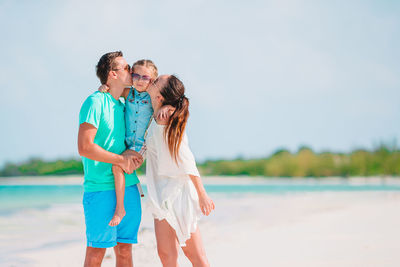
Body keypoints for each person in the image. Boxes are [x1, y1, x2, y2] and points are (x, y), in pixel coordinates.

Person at [78, 51, 143, 267]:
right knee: (96, 252)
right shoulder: (94, 102)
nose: (131, 71)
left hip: (128, 185)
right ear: (112, 75)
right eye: (126, 68)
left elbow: (151, 89)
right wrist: (120, 159)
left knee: (124, 251)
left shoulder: (125, 104)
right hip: (100, 189)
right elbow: (85, 147)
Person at [145, 74, 215, 267]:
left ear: (160, 96)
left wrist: (202, 195)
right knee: (166, 257)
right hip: (159, 195)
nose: (152, 80)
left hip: (178, 194)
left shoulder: (165, 120)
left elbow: (186, 158)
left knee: (196, 257)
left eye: (157, 81)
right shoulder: (157, 114)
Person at [99, 59, 172, 227]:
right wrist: (104, 87)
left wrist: (164, 108)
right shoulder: (128, 93)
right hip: (126, 143)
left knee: (117, 166)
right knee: (120, 166)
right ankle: (134, 187)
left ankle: (120, 209)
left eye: (145, 77)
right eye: (136, 75)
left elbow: (172, 104)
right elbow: (112, 91)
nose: (140, 80)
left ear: (152, 80)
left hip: (141, 145)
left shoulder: (154, 97)